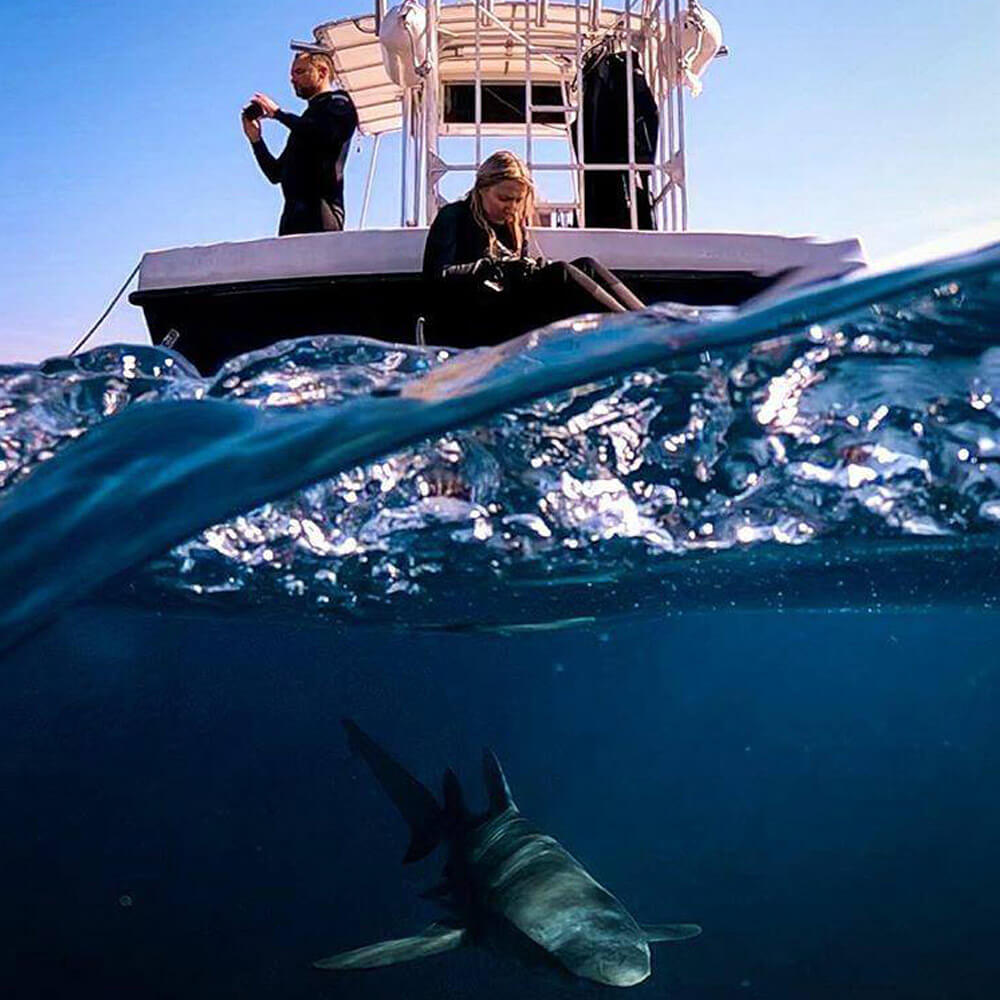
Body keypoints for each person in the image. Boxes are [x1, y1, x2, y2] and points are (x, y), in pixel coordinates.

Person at [421, 150, 644, 349]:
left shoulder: (512, 227)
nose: (512, 207)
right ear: (481, 190)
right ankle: (638, 333)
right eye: (504, 198)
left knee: (586, 264)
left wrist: (525, 267)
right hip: (470, 322)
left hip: (505, 314)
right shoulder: (454, 216)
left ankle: (648, 322)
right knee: (561, 273)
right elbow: (437, 276)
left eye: (518, 200)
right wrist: (493, 267)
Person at [242, 52, 358, 236]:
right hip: (292, 218)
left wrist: (279, 114)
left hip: (321, 215)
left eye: (299, 72)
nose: (293, 80)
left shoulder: (339, 102)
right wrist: (256, 139)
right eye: (291, 75)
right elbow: (276, 173)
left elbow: (324, 134)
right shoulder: (306, 122)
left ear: (322, 72)